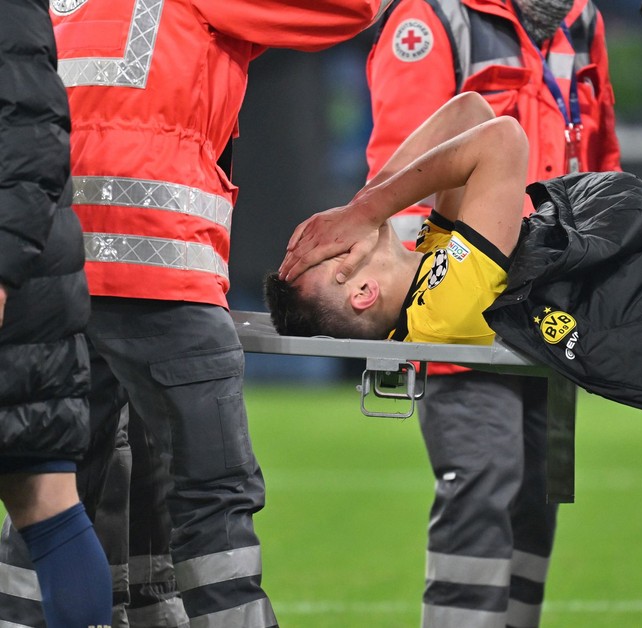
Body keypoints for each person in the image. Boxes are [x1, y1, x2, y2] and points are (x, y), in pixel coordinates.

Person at [0, 2, 395, 627]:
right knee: (214, 506)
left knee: (48, 507)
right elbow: (350, 9)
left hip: (54, 277)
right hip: (160, 266)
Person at [273, 90, 642, 437]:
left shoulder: (426, 261)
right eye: (332, 250)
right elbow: (501, 140)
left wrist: (357, 207)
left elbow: (468, 109)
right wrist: (368, 210)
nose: (333, 237)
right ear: (362, 293)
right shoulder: (438, 310)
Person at [363, 0, 619, 623]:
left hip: (553, 313)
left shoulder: (581, 19)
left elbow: (602, 159)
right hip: (465, 319)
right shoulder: (433, 18)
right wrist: (420, 320)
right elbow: (399, 177)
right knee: (484, 481)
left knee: (538, 496)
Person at [0, 0, 112, 626]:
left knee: (46, 500)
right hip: (29, 277)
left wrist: (3, 265)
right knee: (46, 500)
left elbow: (28, 135)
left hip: (20, 285)